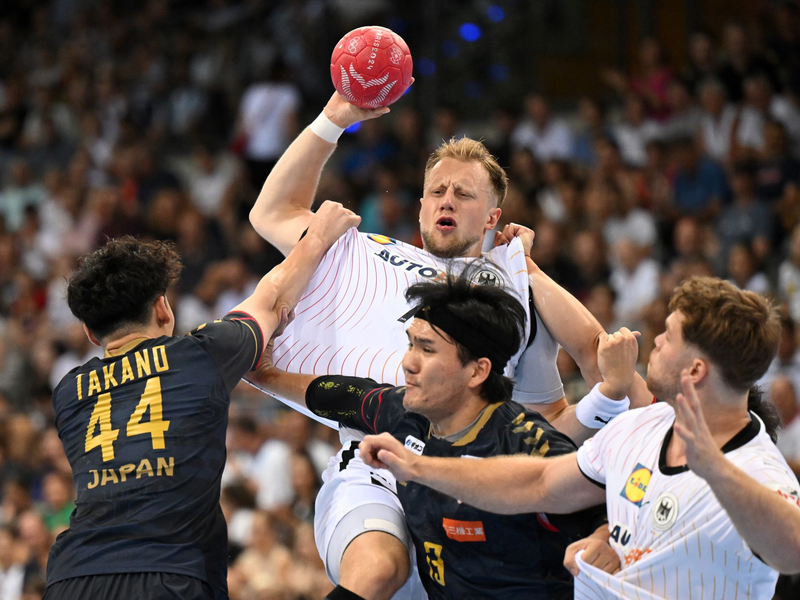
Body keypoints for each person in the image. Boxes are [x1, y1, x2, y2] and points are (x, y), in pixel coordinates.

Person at [249, 92, 650, 599]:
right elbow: (271, 212)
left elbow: (574, 392)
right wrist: (335, 119)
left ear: (492, 216)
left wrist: (525, 267)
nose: (446, 199)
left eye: (463, 193)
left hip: (474, 483)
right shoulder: (363, 250)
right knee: (377, 571)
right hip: (377, 458)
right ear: (419, 206)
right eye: (436, 190)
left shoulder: (512, 295)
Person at [360, 277, 800, 599]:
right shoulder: (638, 427)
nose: (655, 342)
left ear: (696, 371)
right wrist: (417, 466)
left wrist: (716, 471)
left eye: (667, 337)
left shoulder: (756, 469)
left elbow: (793, 552)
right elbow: (537, 483)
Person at [42, 201, 360, 600]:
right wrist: (319, 235)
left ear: (90, 333)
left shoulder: (68, 392)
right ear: (162, 306)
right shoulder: (201, 355)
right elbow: (273, 295)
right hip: (170, 574)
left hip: (72, 578)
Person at [256, 270, 614, 599]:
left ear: (477, 372)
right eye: (411, 344)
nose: (408, 363)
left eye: (427, 350)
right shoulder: (408, 415)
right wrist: (263, 375)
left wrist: (603, 538)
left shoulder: (529, 444)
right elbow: (339, 397)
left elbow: (606, 512)